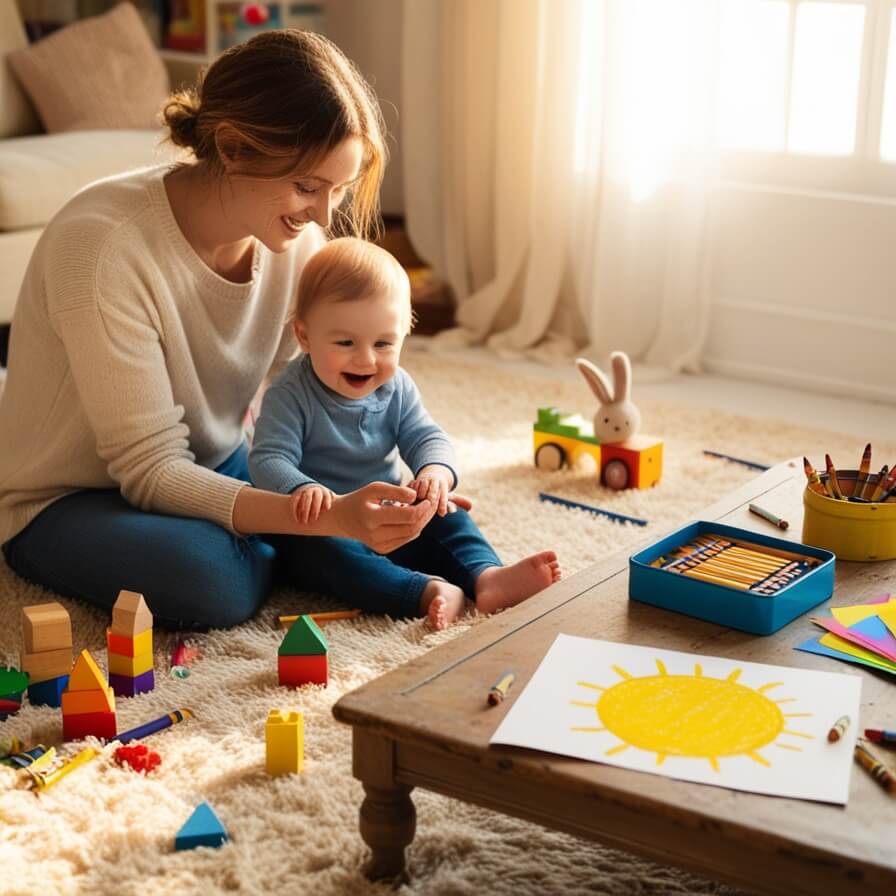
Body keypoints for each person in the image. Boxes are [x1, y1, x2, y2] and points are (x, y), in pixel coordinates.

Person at [0, 30, 458, 630]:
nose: (324, 215)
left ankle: (289, 544)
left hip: (214, 461)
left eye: (339, 189)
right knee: (214, 581)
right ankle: (289, 549)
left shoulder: (294, 243)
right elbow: (150, 470)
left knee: (331, 502)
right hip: (65, 499)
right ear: (233, 147)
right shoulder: (103, 245)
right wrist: (326, 521)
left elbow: (313, 388)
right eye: (306, 186)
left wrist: (394, 479)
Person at [248, 238, 561, 629]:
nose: (366, 359)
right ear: (305, 336)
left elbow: (426, 435)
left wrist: (434, 474)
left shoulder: (396, 387)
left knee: (447, 515)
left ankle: (487, 577)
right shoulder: (290, 393)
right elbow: (267, 459)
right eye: (345, 343)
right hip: (322, 526)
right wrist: (301, 488)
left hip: (390, 513)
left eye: (383, 343)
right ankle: (425, 591)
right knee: (331, 559)